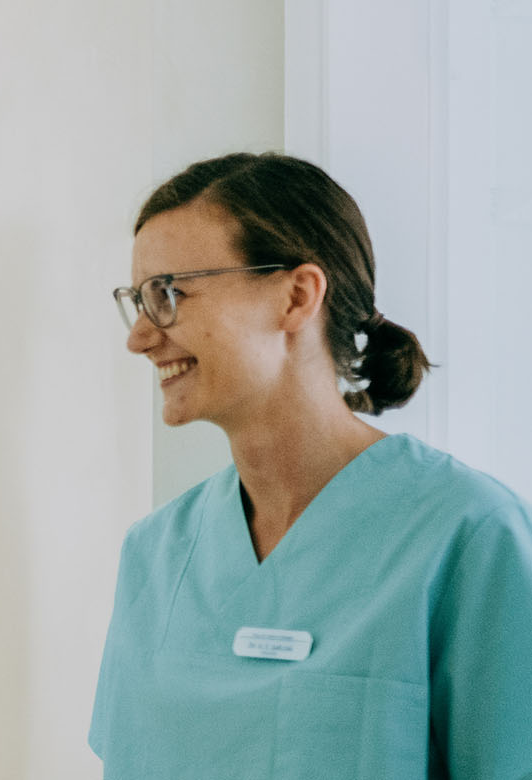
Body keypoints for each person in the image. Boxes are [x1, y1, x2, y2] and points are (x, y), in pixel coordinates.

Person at [91, 152, 532, 778]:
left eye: (169, 294)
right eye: (137, 299)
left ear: (297, 296)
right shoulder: (156, 554)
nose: (139, 335)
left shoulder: (471, 537)